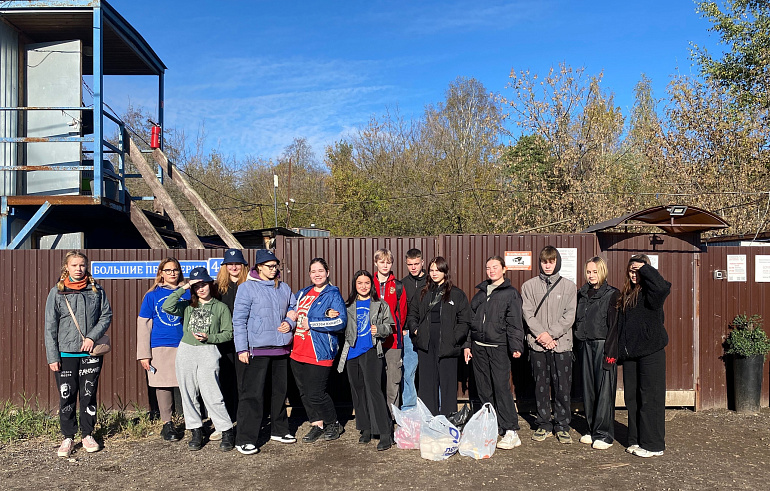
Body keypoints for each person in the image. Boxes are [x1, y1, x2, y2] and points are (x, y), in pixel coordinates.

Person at [44, 251, 112, 457]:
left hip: (90, 353)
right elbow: (49, 327)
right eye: (74, 265)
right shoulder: (57, 292)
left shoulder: (96, 290)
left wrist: (92, 337)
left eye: (82, 265)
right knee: (67, 396)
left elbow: (106, 315)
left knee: (88, 395)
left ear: (86, 266)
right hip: (65, 354)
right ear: (67, 267)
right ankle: (67, 437)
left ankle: (87, 434)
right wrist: (52, 356)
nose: (78, 269)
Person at [162, 267, 235, 452]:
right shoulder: (187, 306)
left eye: (203, 284)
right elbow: (167, 306)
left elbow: (228, 333)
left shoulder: (220, 307)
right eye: (197, 286)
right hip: (186, 350)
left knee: (212, 393)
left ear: (210, 284)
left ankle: (226, 430)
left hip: (208, 351)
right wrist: (184, 287)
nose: (201, 289)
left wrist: (210, 338)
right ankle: (196, 430)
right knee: (187, 393)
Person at [232, 250, 297, 455]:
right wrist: (241, 348)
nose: (273, 269)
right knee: (252, 395)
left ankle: (279, 430)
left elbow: (294, 308)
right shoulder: (246, 288)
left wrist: (290, 321)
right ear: (258, 267)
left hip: (281, 348)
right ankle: (245, 438)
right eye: (269, 266)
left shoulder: (284, 288)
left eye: (275, 265)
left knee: (279, 393)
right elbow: (239, 320)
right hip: (256, 349)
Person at [464, 255, 525, 449]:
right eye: (488, 267)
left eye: (495, 267)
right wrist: (467, 345)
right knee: (484, 389)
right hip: (479, 348)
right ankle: (490, 426)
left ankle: (511, 431)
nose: (491, 271)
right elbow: (470, 322)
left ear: (504, 269)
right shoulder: (481, 293)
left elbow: (515, 323)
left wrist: (516, 346)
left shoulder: (510, 294)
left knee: (501, 388)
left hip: (499, 348)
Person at [521, 246, 577, 444]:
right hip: (538, 345)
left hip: (561, 345)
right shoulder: (528, 286)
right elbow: (528, 314)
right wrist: (542, 336)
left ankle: (562, 425)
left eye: (551, 261)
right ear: (540, 263)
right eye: (544, 261)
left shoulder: (569, 287)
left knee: (562, 387)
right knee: (541, 386)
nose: (547, 265)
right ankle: (543, 423)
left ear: (557, 262)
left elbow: (569, 316)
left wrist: (550, 334)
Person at [617, 254, 671, 458]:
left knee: (651, 398)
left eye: (638, 271)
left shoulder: (652, 293)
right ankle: (636, 439)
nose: (634, 274)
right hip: (632, 355)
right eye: (631, 270)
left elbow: (663, 287)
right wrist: (620, 353)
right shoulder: (627, 294)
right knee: (633, 399)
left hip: (651, 352)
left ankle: (653, 444)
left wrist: (645, 269)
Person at [290, 257, 347, 443]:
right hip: (298, 349)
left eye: (320, 271)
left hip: (319, 350)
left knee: (316, 392)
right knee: (305, 392)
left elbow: (340, 321)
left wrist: (313, 323)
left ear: (327, 272)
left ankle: (333, 423)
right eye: (313, 271)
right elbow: (292, 308)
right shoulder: (303, 293)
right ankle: (317, 424)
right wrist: (291, 313)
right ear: (309, 274)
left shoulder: (332, 294)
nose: (317, 274)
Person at [337, 270, 395, 451]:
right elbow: (340, 325)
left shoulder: (380, 304)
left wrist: (379, 329)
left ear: (372, 285)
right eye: (359, 283)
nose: (363, 286)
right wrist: (331, 314)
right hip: (352, 353)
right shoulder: (347, 306)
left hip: (371, 350)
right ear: (355, 285)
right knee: (357, 390)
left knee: (374, 390)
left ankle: (385, 433)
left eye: (367, 283)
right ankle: (366, 428)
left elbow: (391, 326)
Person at [407, 256, 470, 417]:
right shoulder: (422, 292)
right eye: (432, 270)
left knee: (448, 385)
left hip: (448, 346)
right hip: (426, 344)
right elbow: (412, 314)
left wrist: (455, 338)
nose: (434, 273)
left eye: (438, 270)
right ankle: (429, 420)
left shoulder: (456, 294)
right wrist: (416, 331)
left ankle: (449, 420)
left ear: (445, 271)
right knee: (427, 385)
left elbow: (464, 320)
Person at [137, 257, 188, 442]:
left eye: (175, 270)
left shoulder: (188, 293)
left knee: (187, 384)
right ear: (161, 273)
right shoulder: (152, 295)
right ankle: (167, 424)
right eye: (168, 270)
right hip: (160, 345)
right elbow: (144, 324)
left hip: (185, 345)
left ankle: (191, 422)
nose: (172, 273)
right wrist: (144, 354)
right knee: (163, 385)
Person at [575, 256, 619, 450]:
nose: (591, 275)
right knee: (588, 389)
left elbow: (615, 326)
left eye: (595, 271)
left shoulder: (612, 294)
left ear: (602, 272)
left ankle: (604, 433)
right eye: (588, 272)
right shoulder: (582, 294)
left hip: (603, 345)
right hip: (585, 344)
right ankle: (592, 428)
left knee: (604, 391)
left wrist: (611, 353)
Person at [215, 248, 249, 429]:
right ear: (225, 266)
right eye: (230, 264)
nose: (234, 267)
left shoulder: (250, 284)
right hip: (225, 342)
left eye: (237, 263)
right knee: (227, 379)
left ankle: (245, 418)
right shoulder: (218, 288)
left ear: (243, 266)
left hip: (246, 341)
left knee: (245, 381)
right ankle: (229, 418)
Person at [372, 248, 407, 417]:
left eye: (388, 262)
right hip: (372, 340)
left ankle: (393, 417)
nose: (385, 265)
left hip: (393, 341)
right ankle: (378, 416)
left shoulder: (398, 286)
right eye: (381, 262)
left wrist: (398, 332)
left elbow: (402, 312)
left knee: (393, 381)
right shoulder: (368, 283)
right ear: (376, 263)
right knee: (375, 380)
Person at [400, 248, 426, 410]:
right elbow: (399, 309)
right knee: (408, 371)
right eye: (410, 264)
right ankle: (409, 407)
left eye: (416, 263)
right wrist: (403, 328)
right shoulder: (403, 284)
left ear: (422, 262)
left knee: (430, 371)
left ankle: (432, 406)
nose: (414, 267)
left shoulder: (431, 281)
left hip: (428, 333)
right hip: (408, 334)